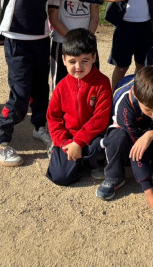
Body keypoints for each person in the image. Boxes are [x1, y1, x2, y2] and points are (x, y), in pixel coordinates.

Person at [0, 0, 129, 167]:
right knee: (20, 95)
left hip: (41, 40)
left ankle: (39, 126)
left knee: (41, 89)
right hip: (17, 42)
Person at [97, 65, 153, 211]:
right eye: (148, 110)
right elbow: (136, 147)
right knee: (117, 138)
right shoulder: (125, 105)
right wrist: (148, 190)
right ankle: (114, 176)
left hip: (149, 131)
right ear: (137, 97)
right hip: (127, 135)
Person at [45, 29, 111, 186]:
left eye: (84, 60)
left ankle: (93, 163)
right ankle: (65, 155)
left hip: (92, 138)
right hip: (68, 138)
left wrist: (79, 142)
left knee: (101, 145)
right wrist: (64, 142)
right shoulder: (61, 87)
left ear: (94, 57)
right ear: (64, 60)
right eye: (72, 61)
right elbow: (53, 118)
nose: (78, 67)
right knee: (61, 177)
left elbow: (100, 119)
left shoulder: (102, 83)